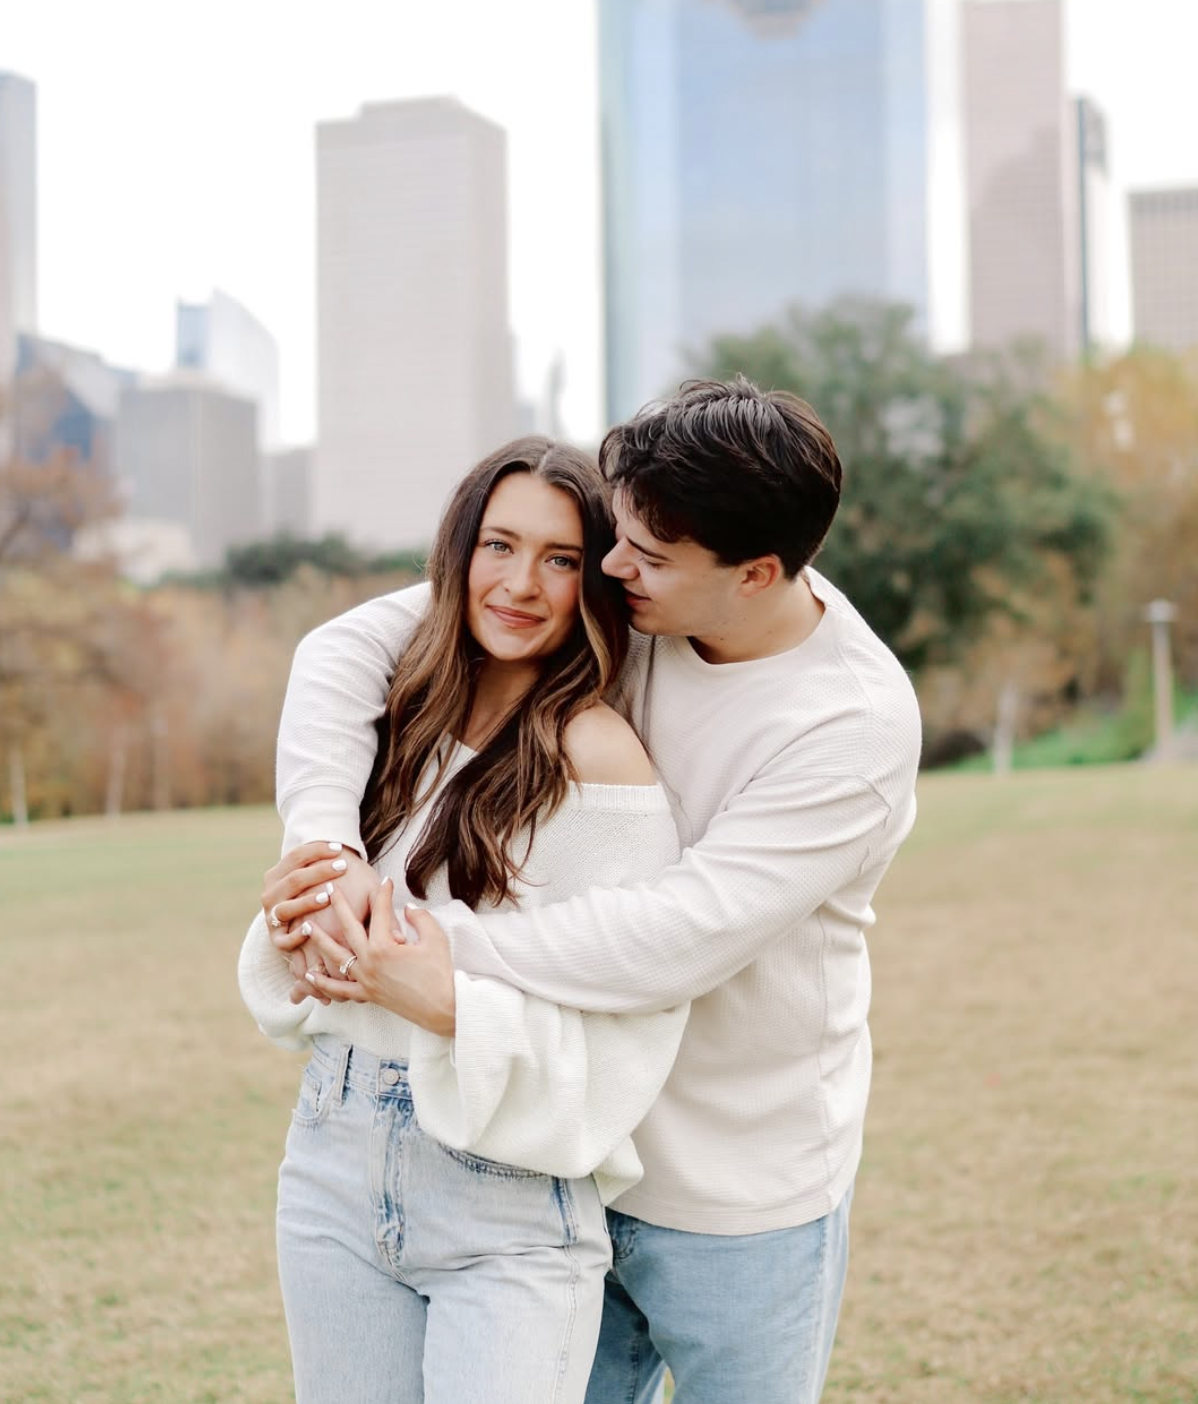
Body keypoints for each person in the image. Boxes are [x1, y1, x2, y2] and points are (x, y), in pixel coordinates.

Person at [269, 378, 922, 1404]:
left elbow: (674, 937)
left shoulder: (849, 728)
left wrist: (424, 950)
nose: (612, 571)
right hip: (544, 1148)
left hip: (731, 1183)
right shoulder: (636, 585)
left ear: (754, 575)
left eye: (645, 558)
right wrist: (328, 848)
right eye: (614, 540)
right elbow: (351, 645)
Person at [239, 436, 689, 1404]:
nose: (521, 583)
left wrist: (446, 1003)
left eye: (562, 560)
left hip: (509, 1197)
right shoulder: (396, 718)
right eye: (499, 545)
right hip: (333, 1152)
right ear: (459, 554)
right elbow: (323, 974)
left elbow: (629, 1028)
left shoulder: (599, 760)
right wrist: (299, 919)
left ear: (593, 583)